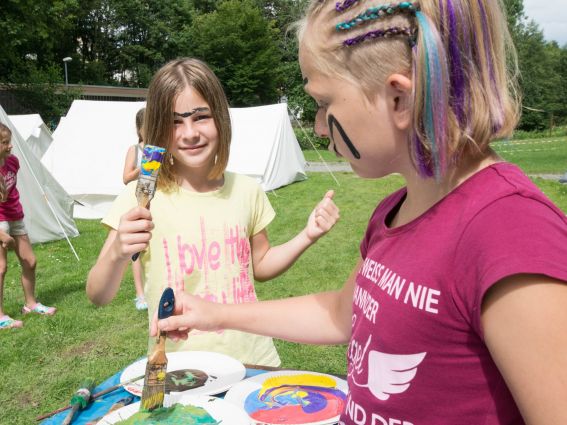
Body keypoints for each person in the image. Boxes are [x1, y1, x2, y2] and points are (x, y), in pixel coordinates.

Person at [151, 1, 567, 424]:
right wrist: (214, 313)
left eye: (322, 101)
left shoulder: (512, 233)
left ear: (399, 98)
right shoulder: (395, 211)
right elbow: (338, 313)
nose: (317, 125)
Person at [86, 58, 339, 367]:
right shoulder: (139, 198)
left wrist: (306, 235)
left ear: (220, 118)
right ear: (157, 129)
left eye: (200, 117)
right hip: (180, 367)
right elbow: (98, 295)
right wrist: (116, 253)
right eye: (174, 121)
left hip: (254, 361)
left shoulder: (247, 190)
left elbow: (260, 265)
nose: (189, 133)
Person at [0, 122, 56, 331]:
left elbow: (10, 192)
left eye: (9, 142)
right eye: (5, 143)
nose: (10, 146)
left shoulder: (12, 162)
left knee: (30, 261)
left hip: (15, 216)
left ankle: (30, 304)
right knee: (1, 268)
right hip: (0, 221)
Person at [122, 107, 148, 311]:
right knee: (137, 250)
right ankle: (140, 295)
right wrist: (145, 166)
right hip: (138, 202)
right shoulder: (135, 149)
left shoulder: (163, 147)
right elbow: (125, 178)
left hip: (160, 201)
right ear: (139, 129)